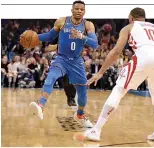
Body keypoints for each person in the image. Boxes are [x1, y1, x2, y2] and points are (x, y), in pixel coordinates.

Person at [84, 7, 154, 141]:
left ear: (131, 17)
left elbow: (115, 51)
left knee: (120, 88)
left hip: (144, 57)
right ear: (144, 17)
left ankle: (96, 130)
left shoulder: (129, 27)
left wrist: (100, 72)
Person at [24, 0, 98, 128]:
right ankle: (41, 105)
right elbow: (49, 36)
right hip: (61, 59)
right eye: (77, 9)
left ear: (84, 11)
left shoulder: (88, 25)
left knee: (82, 94)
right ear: (72, 10)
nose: (79, 11)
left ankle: (80, 114)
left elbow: (95, 44)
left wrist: (81, 36)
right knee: (51, 77)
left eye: (82, 9)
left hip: (77, 62)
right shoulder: (62, 21)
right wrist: (36, 37)